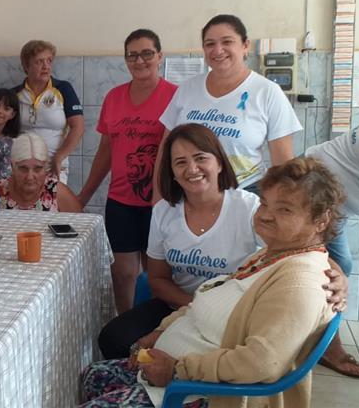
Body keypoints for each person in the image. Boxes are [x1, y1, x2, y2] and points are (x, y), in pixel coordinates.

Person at [81, 157, 342, 408]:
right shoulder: (269, 254)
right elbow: (208, 297)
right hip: (181, 373)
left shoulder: (300, 283)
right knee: (93, 375)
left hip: (203, 393)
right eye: (264, 204)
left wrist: (176, 371)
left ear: (321, 220)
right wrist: (161, 331)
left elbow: (262, 363)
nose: (265, 215)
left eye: (284, 209)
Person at [98, 124, 349, 361]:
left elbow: (299, 249)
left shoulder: (249, 207)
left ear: (219, 162)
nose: (192, 169)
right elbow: (157, 279)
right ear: (171, 172)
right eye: (180, 162)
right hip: (178, 303)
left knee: (195, 356)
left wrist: (340, 278)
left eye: (200, 158)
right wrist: (196, 308)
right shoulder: (164, 211)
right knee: (114, 339)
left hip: (234, 310)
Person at [77, 29, 177, 314]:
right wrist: (84, 196)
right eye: (132, 55)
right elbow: (105, 151)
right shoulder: (114, 97)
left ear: (159, 56)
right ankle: (125, 330)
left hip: (161, 202)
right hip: (120, 201)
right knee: (122, 275)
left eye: (147, 53)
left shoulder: (175, 97)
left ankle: (161, 331)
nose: (140, 60)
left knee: (158, 277)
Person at [157, 14, 302, 195]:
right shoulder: (187, 89)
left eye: (227, 42)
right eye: (210, 44)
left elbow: (283, 164)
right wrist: (159, 197)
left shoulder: (267, 92)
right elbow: (165, 149)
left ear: (245, 45)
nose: (218, 50)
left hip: (245, 193)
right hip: (191, 194)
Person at [304, 119, 359, 378]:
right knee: (330, 270)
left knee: (339, 266)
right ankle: (328, 347)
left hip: (333, 207)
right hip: (310, 189)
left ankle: (320, 339)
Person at [12, 40, 84, 183]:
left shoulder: (63, 89)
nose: (46, 66)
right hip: (23, 168)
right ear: (26, 66)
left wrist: (59, 157)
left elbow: (78, 127)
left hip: (54, 166)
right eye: (39, 61)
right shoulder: (14, 94)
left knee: (53, 205)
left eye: (49, 61)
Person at [0, 132, 82, 213]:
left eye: (38, 169)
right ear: (12, 167)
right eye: (23, 168)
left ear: (45, 168)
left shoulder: (58, 193)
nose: (30, 177)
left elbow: (81, 227)